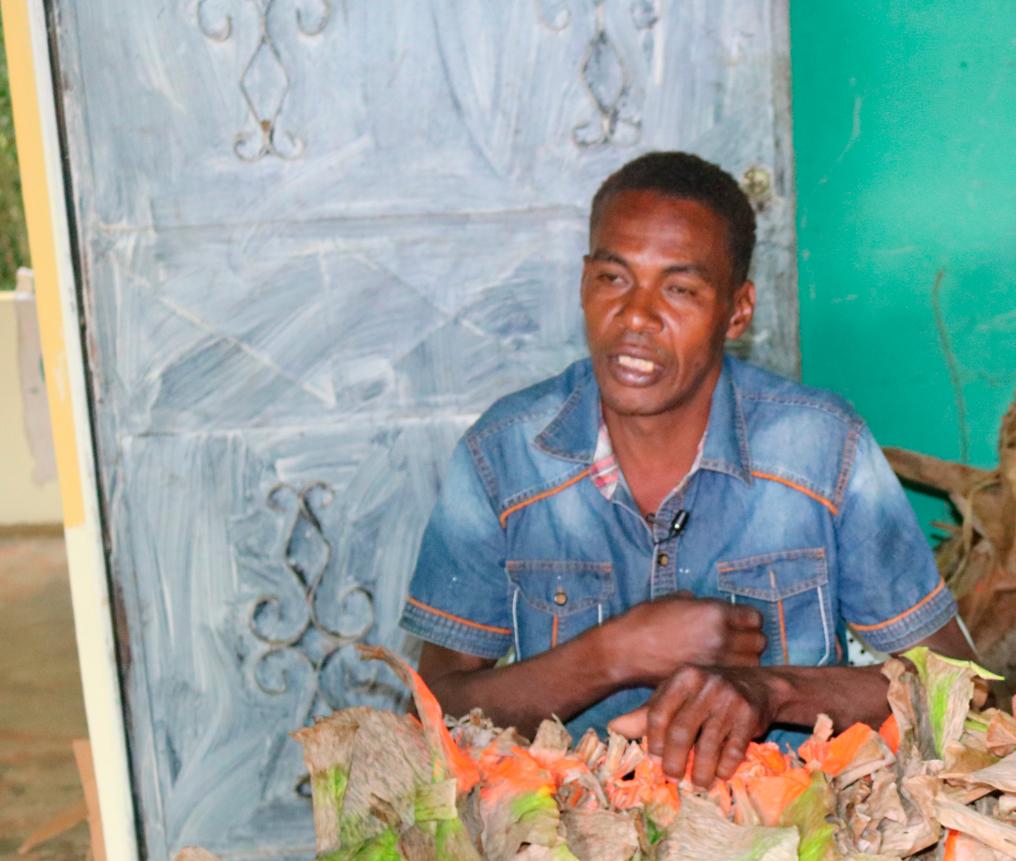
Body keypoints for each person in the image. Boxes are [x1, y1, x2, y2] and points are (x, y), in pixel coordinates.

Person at [402, 151, 972, 783]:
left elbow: (961, 691)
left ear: (737, 312)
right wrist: (613, 654)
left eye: (680, 289)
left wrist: (772, 692)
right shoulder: (504, 456)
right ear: (584, 283)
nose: (637, 317)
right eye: (614, 279)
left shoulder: (821, 448)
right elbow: (432, 714)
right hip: (570, 851)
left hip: (794, 842)